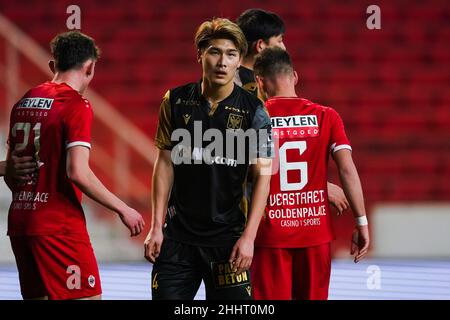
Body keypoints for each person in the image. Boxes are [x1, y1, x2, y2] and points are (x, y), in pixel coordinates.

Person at [4, 31, 145, 300]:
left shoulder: (23, 101)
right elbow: (78, 172)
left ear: (52, 65)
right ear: (90, 67)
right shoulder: (76, 105)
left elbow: (12, 173)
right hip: (58, 226)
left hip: (21, 222)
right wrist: (123, 208)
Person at [144, 18, 272, 300]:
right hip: (177, 240)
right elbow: (165, 163)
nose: (222, 62)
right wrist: (155, 226)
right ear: (199, 54)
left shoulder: (255, 110)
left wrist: (249, 237)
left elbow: (263, 175)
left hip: (229, 241)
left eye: (231, 54)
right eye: (214, 52)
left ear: (240, 61)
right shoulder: (174, 101)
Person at [251, 47, 370, 300]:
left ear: (259, 81)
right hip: (315, 232)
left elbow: (250, 173)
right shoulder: (327, 116)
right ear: (294, 76)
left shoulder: (255, 118)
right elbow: (347, 169)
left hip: (270, 234)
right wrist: (361, 221)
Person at [236, 8, 349, 214]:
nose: (284, 46)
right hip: (246, 209)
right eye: (279, 40)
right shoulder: (244, 94)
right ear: (261, 46)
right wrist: (317, 186)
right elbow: (245, 161)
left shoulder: (240, 84)